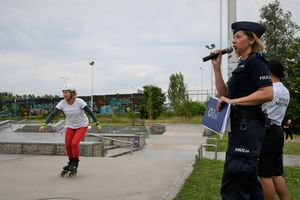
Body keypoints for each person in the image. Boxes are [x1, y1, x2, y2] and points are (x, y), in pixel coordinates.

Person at [211, 21, 273, 199]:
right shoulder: (242, 65)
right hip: (239, 127)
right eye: (233, 37)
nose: (233, 41)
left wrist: (234, 101)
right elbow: (224, 94)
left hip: (247, 126)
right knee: (247, 181)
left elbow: (267, 93)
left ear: (251, 39)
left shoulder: (256, 60)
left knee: (235, 181)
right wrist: (216, 68)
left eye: (238, 37)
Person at [39, 83, 101, 174]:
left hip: (82, 125)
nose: (64, 94)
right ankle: (71, 162)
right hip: (70, 126)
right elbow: (53, 114)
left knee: (74, 143)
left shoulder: (80, 102)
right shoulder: (62, 103)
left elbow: (90, 113)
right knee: (68, 145)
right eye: (63, 92)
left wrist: (97, 123)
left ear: (72, 93)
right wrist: (44, 124)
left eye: (66, 92)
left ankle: (75, 163)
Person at [258, 60, 290, 200]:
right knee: (277, 173)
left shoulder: (270, 90)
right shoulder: (285, 91)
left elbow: (258, 106)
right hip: (278, 131)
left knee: (264, 176)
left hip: (267, 131)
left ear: (269, 71)